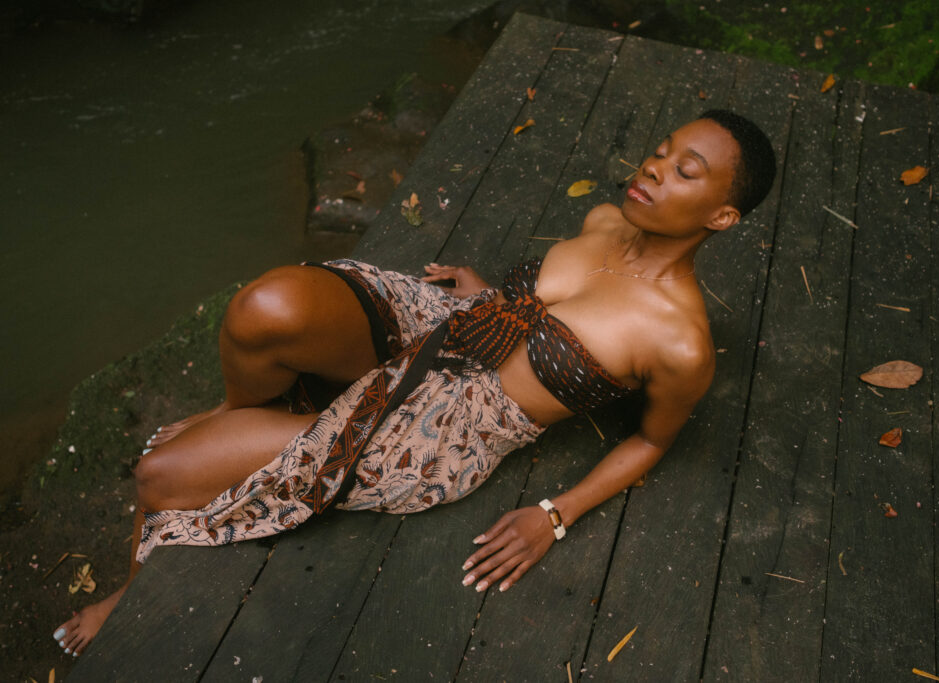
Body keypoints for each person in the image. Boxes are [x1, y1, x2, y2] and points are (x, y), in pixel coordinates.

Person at [53, 109, 775, 657]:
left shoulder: (681, 343)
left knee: (158, 477)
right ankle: (236, 411)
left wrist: (554, 515)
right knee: (261, 308)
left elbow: (651, 442)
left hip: (450, 425)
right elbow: (535, 314)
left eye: (686, 170)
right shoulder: (605, 217)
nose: (654, 167)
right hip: (445, 323)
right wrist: (489, 294)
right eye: (661, 150)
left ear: (722, 215)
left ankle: (129, 591)